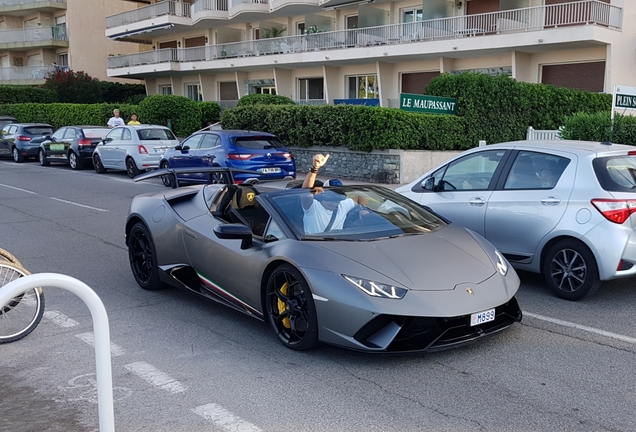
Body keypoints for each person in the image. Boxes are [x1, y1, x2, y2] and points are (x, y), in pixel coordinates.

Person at [301, 154, 366, 234]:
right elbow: (305, 192)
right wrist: (315, 169)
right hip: (313, 243)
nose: (335, 202)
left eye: (338, 197)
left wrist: (363, 210)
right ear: (323, 194)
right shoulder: (313, 208)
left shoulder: (342, 205)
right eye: (332, 197)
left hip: (338, 244)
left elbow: (360, 198)